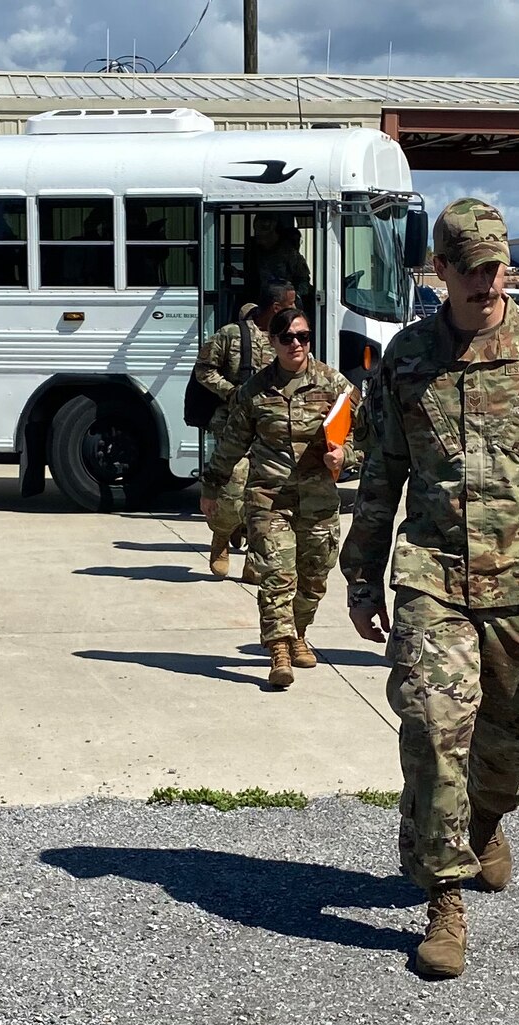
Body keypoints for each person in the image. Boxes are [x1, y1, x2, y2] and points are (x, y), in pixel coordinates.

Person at [340, 198, 519, 981]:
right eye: (470, 268)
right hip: (433, 573)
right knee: (434, 727)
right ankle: (445, 898)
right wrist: (362, 575)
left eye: (497, 265)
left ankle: (486, 818)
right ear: (441, 272)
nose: (487, 281)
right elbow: (381, 475)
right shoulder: (406, 359)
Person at [199, 304, 357, 690]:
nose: (296, 344)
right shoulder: (254, 392)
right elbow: (231, 444)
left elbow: (362, 437)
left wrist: (346, 455)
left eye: (303, 337)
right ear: (273, 342)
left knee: (314, 577)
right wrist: (212, 487)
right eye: (287, 338)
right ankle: (279, 651)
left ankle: (298, 632)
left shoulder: (334, 385)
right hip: (269, 499)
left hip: (319, 501)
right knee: (276, 575)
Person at [193, 282, 295, 579]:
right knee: (232, 492)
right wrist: (230, 391)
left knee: (265, 499)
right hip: (234, 428)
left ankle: (254, 558)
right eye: (290, 303)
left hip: (271, 430)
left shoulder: (286, 338)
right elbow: (203, 369)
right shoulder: (231, 335)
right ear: (276, 307)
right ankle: (221, 539)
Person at [249, 214, 311, 301]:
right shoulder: (256, 252)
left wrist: (294, 300)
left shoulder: (289, 254)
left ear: (275, 232)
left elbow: (303, 281)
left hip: (285, 303)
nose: (259, 233)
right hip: (264, 302)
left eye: (265, 228)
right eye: (257, 229)